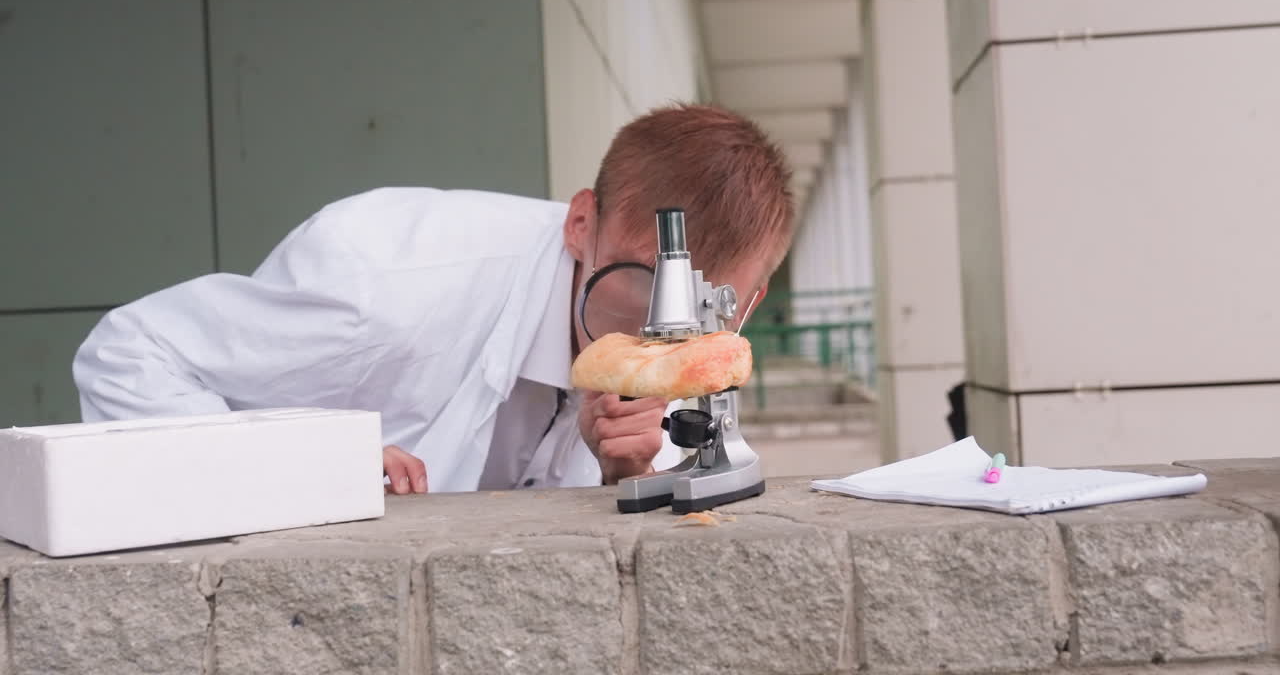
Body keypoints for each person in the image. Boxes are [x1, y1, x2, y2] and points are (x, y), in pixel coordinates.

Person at [73, 104, 795, 494]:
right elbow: (129, 356)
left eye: (703, 311)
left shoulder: (704, 351)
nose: (655, 337)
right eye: (637, 282)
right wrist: (301, 463)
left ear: (748, 303)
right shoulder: (386, 284)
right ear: (581, 223)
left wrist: (627, 482)